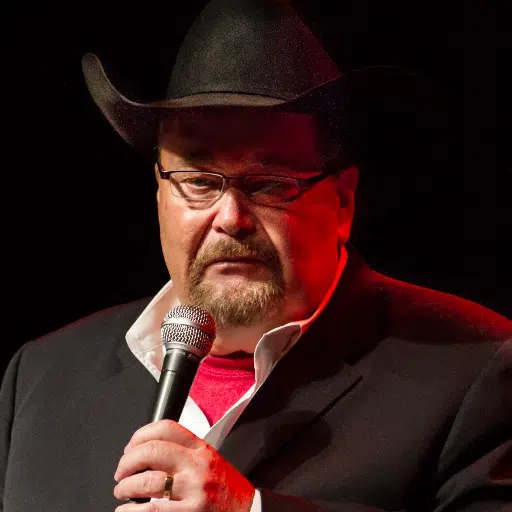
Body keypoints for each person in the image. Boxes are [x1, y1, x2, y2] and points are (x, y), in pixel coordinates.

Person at [1, 0, 510, 511]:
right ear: (158, 193)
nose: (231, 217)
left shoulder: (477, 367)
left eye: (270, 183)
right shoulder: (44, 376)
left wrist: (248, 509)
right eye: (198, 181)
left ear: (343, 202)